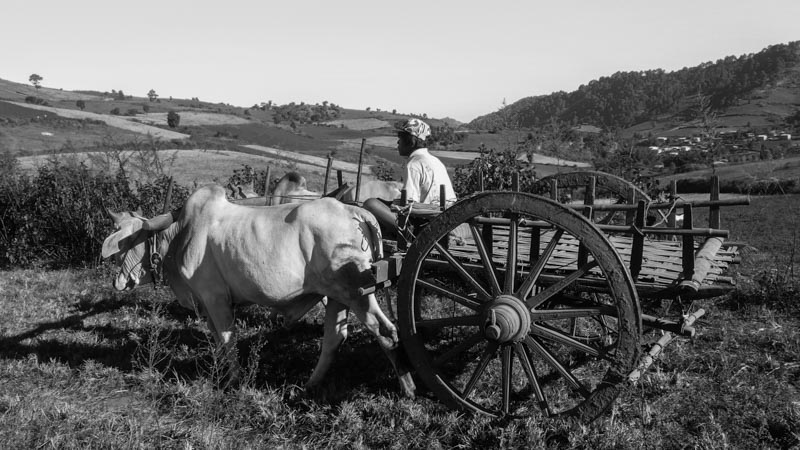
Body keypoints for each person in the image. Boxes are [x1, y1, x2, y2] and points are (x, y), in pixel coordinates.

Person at [363, 118, 457, 239]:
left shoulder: (414, 164)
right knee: (380, 202)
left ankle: (404, 236)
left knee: (370, 204)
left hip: (423, 224)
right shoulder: (435, 161)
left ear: (411, 142)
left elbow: (408, 204)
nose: (398, 143)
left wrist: (390, 205)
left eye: (401, 138)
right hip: (443, 218)